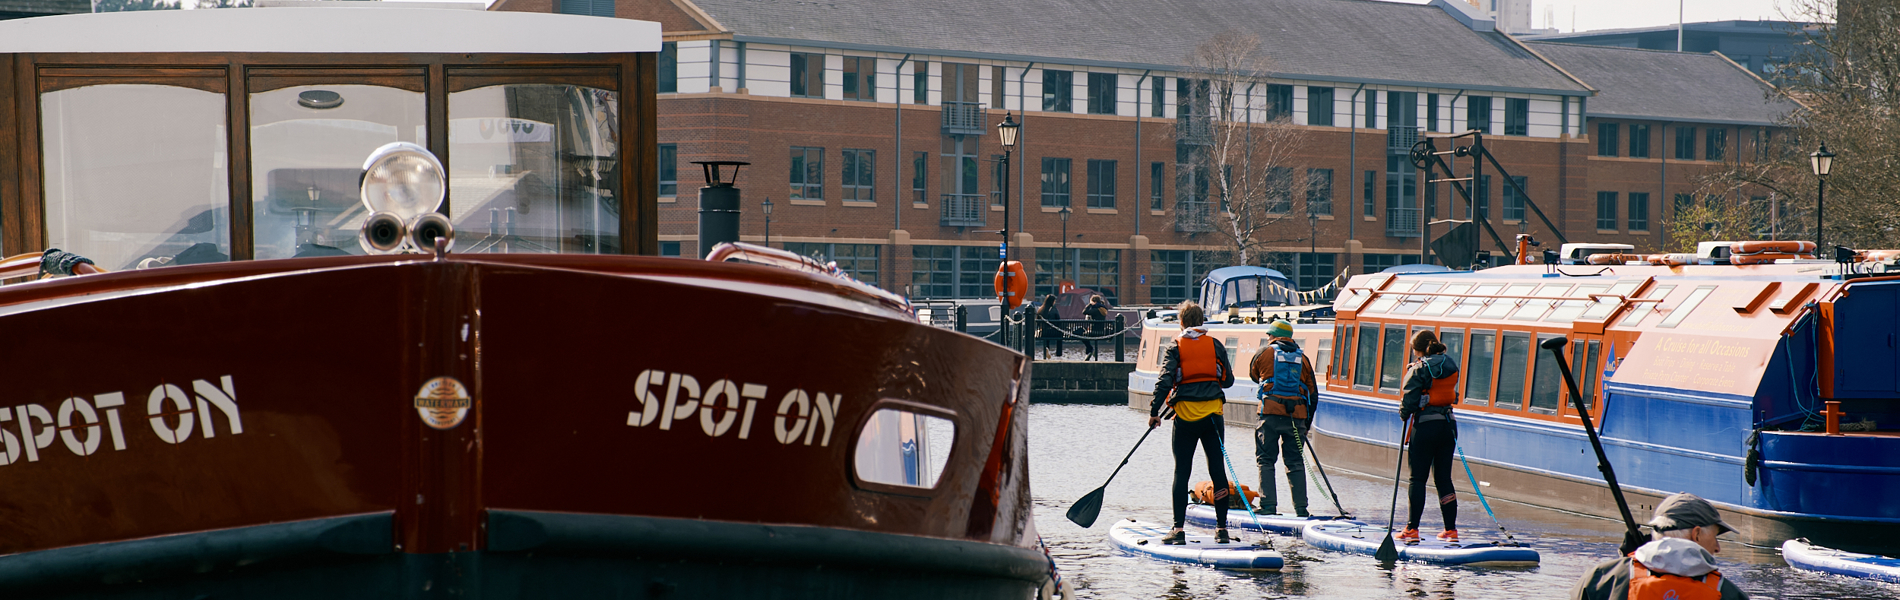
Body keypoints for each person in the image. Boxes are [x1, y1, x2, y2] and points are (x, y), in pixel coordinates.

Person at [1149, 301, 1237, 545]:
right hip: (1213, 418)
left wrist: (1155, 411)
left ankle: (1178, 530)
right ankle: (1221, 530)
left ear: (1182, 323)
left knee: (1182, 471)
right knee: (1217, 470)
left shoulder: (1175, 346)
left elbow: (1165, 381)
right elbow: (1227, 380)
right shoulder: (1216, 345)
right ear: (1201, 322)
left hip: (1185, 418)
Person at [1570, 492, 1749, 600]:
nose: (1717, 547)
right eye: (1715, 537)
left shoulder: (1601, 579)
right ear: (1696, 534)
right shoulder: (1727, 594)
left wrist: (1624, 564)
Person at [1249, 319, 1317, 517]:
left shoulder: (1264, 352)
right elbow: (1312, 393)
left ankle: (1268, 505)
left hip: (1269, 415)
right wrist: (1306, 423)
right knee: (1295, 461)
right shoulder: (1303, 359)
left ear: (1273, 336)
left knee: (1265, 459)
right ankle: (1301, 509)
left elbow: (1254, 375)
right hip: (1296, 417)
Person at [1398, 330, 1461, 542]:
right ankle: (1450, 530)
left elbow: (1409, 401)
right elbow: (1453, 394)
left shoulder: (1419, 368)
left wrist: (1403, 413)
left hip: (1425, 426)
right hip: (1448, 425)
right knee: (1443, 478)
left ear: (1418, 350)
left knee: (1417, 478)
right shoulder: (1451, 363)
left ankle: (1412, 529)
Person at [1082, 295, 1109, 361]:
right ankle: (1090, 352)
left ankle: (1090, 350)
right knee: (1085, 334)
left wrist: (1089, 305)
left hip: (1093, 331)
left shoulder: (1095, 310)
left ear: (1094, 301)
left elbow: (1084, 312)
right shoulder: (1103, 309)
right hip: (1101, 331)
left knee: (1083, 336)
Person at [1036, 294, 1063, 359]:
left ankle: (1046, 348)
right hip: (1053, 332)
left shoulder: (1040, 309)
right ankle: (1058, 354)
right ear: (1052, 301)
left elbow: (1037, 321)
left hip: (1042, 333)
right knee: (1060, 335)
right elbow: (1058, 321)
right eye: (1054, 301)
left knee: (1046, 336)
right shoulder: (1054, 310)